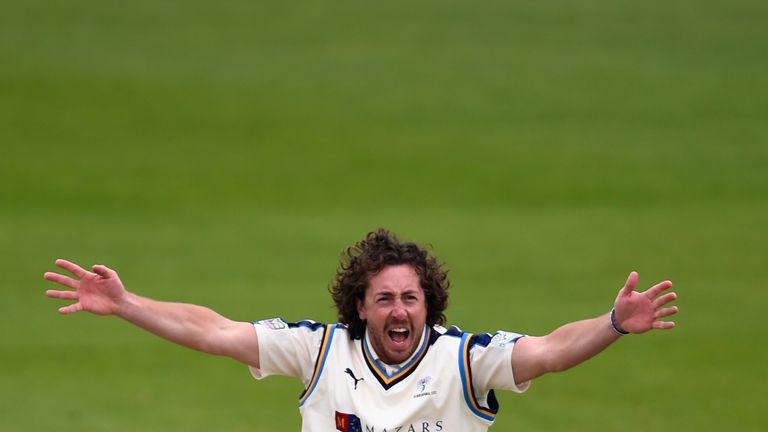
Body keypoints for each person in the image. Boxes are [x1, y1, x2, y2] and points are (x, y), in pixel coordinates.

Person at [44, 228, 678, 432]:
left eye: (410, 297)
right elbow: (214, 331)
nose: (399, 310)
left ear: (429, 304)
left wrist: (613, 323)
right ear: (361, 307)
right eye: (384, 299)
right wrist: (128, 304)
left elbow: (549, 353)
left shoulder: (467, 361)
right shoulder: (319, 349)